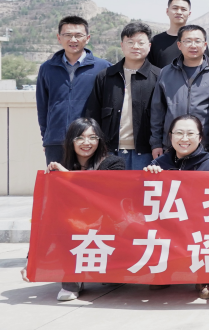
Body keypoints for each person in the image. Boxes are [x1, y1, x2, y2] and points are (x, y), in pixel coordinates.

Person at [145, 115, 209, 299]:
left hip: (198, 224)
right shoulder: (159, 163)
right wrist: (149, 175)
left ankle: (204, 278)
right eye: (179, 133)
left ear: (200, 137)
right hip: (169, 223)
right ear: (170, 136)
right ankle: (164, 271)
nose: (184, 138)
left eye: (190, 134)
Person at [47, 118, 124, 301]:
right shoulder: (60, 167)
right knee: (62, 224)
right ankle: (71, 281)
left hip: (107, 221)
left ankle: (111, 269)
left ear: (100, 140)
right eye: (80, 138)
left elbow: (102, 194)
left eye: (92, 137)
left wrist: (67, 177)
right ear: (71, 141)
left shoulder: (114, 163)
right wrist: (31, 257)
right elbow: (52, 207)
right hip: (74, 224)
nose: (86, 142)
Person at [83, 22, 161, 171]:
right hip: (109, 151)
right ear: (122, 45)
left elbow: (163, 115)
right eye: (130, 42)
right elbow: (93, 115)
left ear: (149, 46)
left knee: (141, 187)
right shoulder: (106, 76)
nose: (135, 46)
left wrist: (159, 145)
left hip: (146, 152)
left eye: (141, 43)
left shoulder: (159, 76)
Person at [36, 16, 111, 165]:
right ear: (59, 38)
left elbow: (110, 105)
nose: (73, 40)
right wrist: (47, 137)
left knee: (89, 180)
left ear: (87, 38)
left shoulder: (103, 67)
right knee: (58, 179)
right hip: (56, 142)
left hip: (89, 143)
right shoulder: (47, 68)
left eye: (78, 35)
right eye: (68, 35)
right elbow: (42, 106)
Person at [149, 25, 209, 160]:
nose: (193, 45)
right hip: (171, 146)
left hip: (205, 147)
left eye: (197, 41)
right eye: (188, 41)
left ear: (205, 45)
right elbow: (157, 111)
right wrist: (156, 143)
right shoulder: (166, 72)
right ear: (179, 45)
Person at [148, 0, 209, 68]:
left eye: (183, 9)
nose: (179, 12)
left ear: (189, 14)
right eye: (175, 8)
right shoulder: (156, 40)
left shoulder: (198, 42)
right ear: (167, 11)